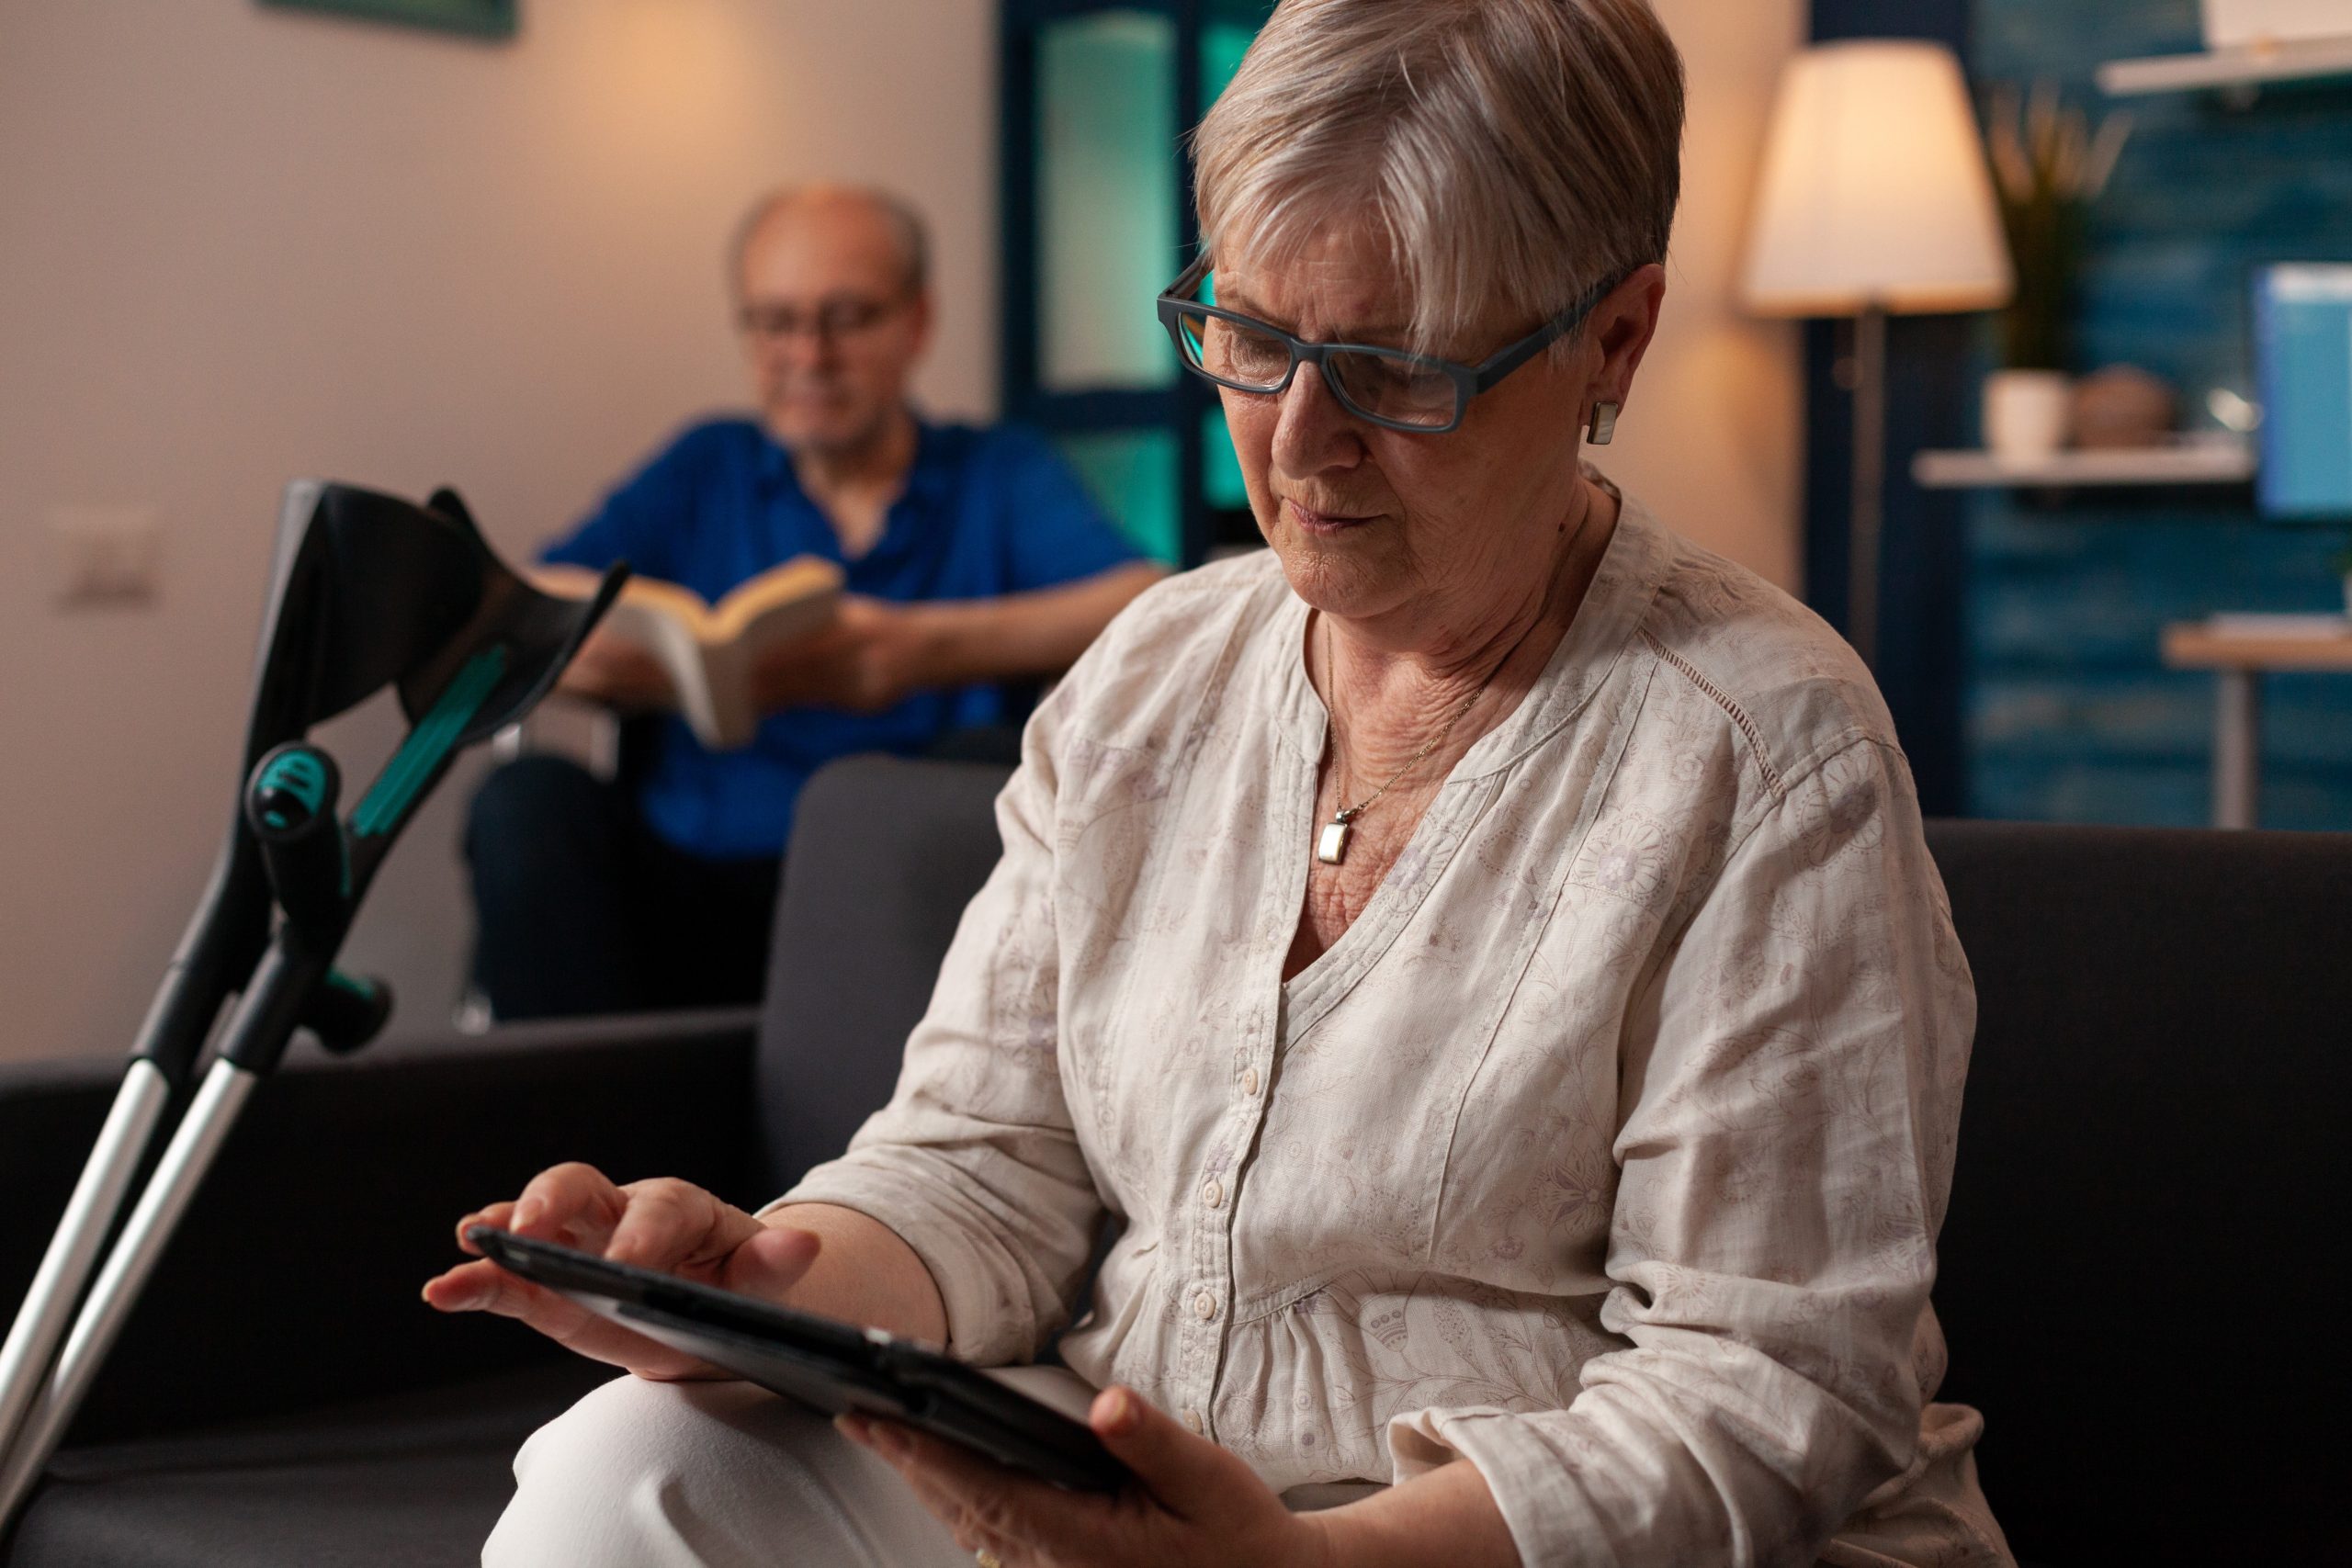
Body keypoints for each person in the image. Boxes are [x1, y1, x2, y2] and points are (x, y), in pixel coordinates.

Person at [427, 2, 2014, 1562]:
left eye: (1394, 369)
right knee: (634, 1467)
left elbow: (1763, 1393)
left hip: (1506, 1538)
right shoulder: (1149, 676)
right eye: (1252, 340)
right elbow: (983, 1165)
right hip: (1144, 1471)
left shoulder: (1765, 749)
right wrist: (758, 1285)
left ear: (1615, 335)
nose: (1299, 445)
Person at [465, 185, 1163, 1021]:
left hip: (906, 909)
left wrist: (911, 653)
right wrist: (662, 666)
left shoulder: (995, 473)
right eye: (775, 321)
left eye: (846, 318)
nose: (808, 354)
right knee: (527, 803)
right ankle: (577, 1141)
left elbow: (1149, 601)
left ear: (917, 322)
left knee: (973, 767)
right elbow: (529, 603)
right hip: (692, 883)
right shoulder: (707, 465)